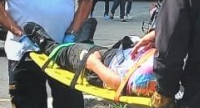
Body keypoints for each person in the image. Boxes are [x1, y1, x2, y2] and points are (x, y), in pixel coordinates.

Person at [23, 22, 156, 98]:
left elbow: (118, 83)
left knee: (66, 53)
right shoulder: (168, 57)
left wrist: (94, 64)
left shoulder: (151, 75)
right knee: (87, 47)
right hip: (114, 55)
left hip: (101, 67)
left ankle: (43, 41)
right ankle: (84, 41)